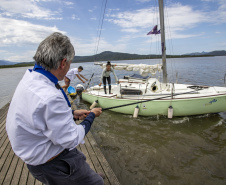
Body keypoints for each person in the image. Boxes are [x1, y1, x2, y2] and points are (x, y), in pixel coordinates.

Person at [6, 32, 104, 185]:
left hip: (34, 160)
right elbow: (71, 139)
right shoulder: (50, 96)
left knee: (86, 173)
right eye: (70, 63)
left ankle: (85, 176)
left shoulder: (31, 77)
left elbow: (39, 114)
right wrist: (92, 115)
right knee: (97, 183)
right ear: (63, 63)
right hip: (52, 163)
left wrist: (72, 113)